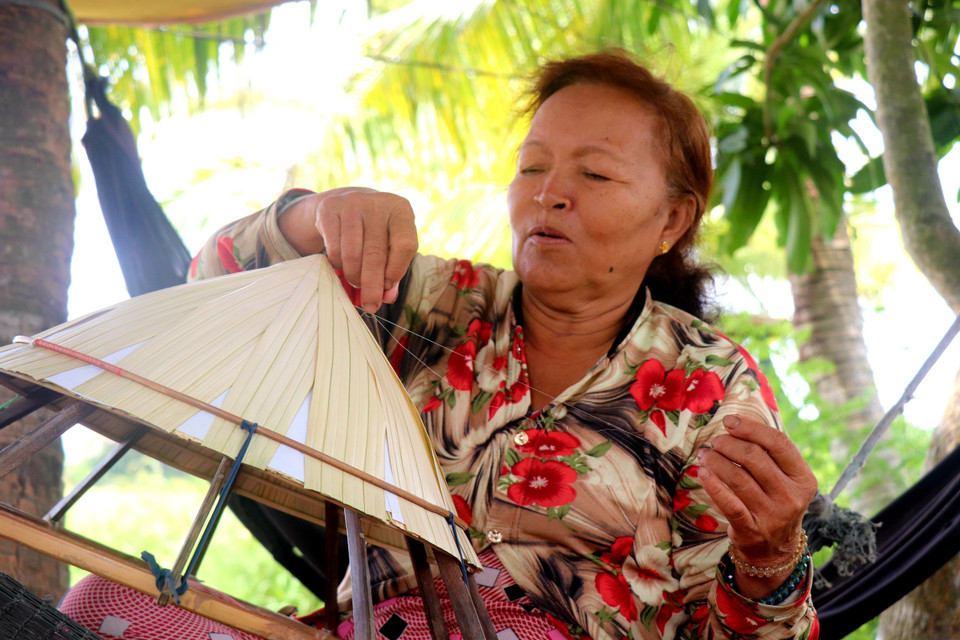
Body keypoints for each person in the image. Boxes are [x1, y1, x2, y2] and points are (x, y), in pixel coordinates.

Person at [188, 50, 819, 640]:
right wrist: (316, 214)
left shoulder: (712, 386)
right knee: (101, 606)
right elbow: (210, 293)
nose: (549, 192)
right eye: (532, 166)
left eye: (595, 172)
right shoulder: (429, 299)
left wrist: (769, 558)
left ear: (673, 220)